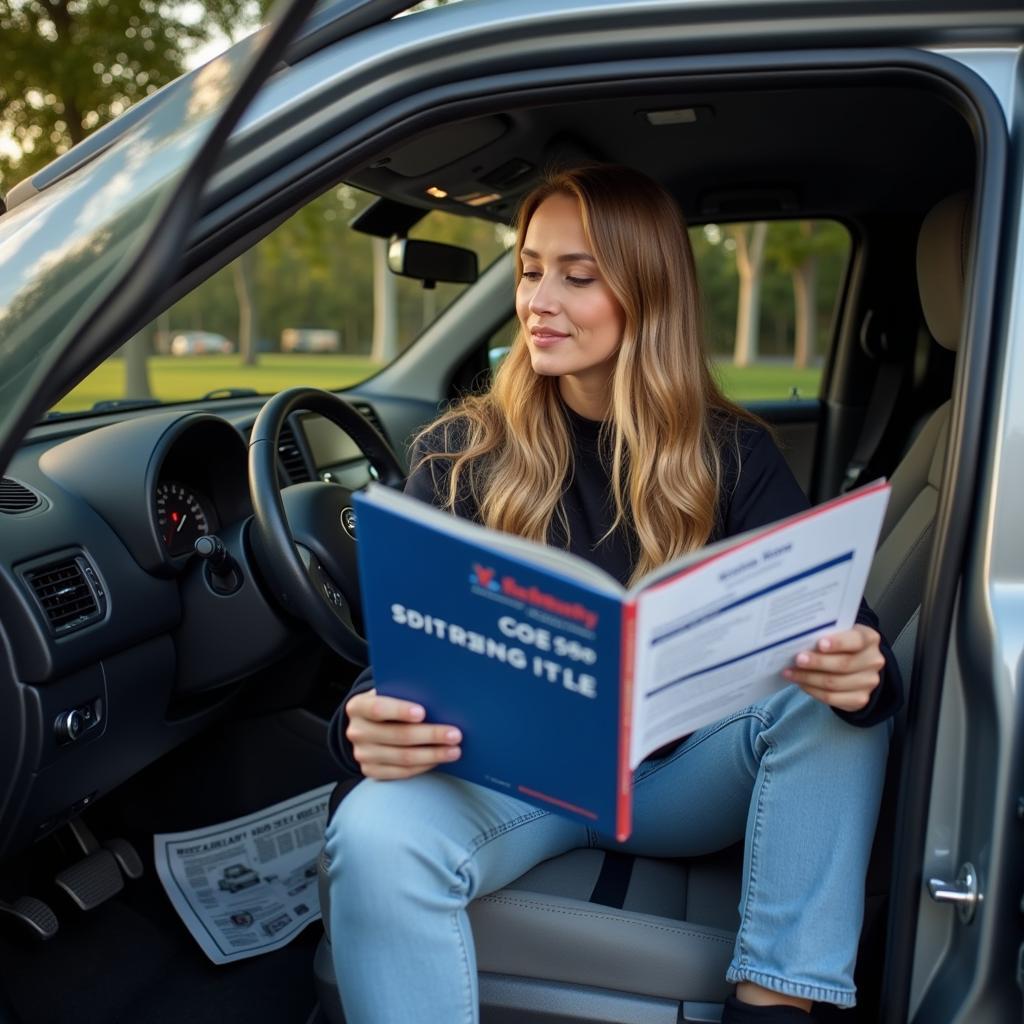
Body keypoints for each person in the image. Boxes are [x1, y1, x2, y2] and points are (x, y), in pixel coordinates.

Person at [325, 164, 901, 1024]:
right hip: (516, 780)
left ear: (646, 292)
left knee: (824, 700)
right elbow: (399, 667)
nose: (538, 300)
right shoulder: (458, 451)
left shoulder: (733, 456)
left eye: (578, 275)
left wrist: (863, 674)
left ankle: (775, 1003)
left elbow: (855, 650)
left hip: (679, 786)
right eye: (529, 269)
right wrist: (361, 723)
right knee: (373, 830)